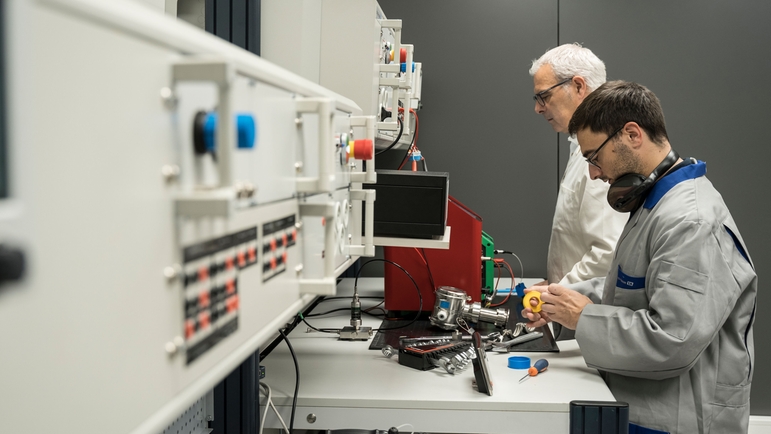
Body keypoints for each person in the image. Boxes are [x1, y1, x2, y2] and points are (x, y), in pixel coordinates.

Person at [524, 80, 756, 434]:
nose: (594, 173)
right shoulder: (657, 203)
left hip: (680, 421)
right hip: (648, 408)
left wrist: (583, 318)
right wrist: (565, 303)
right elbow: (635, 289)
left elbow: (671, 340)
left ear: (632, 134)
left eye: (594, 157)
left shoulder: (690, 220)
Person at [529, 43, 627, 288]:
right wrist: (553, 284)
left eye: (544, 96)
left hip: (582, 310)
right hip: (571, 304)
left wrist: (558, 292)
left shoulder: (604, 154)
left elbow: (607, 252)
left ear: (579, 86)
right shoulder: (580, 147)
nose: (538, 108)